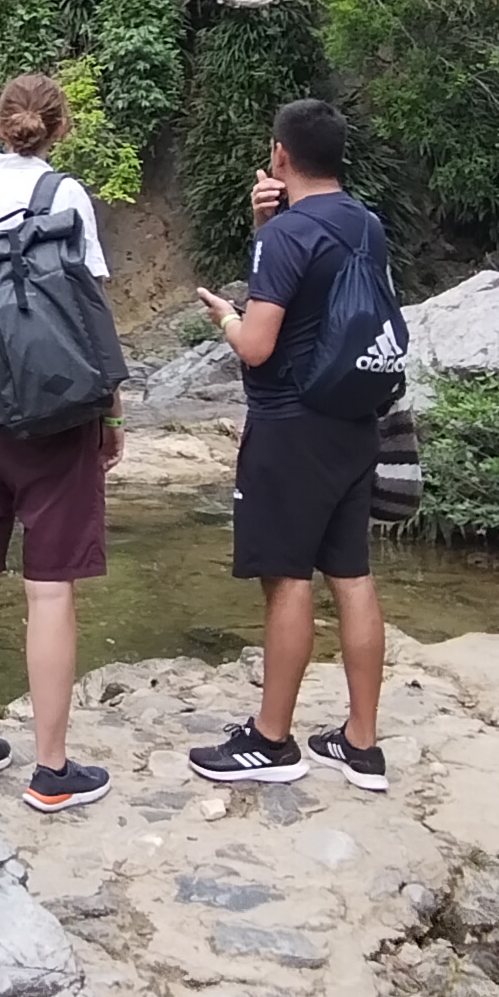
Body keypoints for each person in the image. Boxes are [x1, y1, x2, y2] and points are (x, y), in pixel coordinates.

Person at [185, 98, 394, 791]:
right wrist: (263, 228)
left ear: (279, 155)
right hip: (355, 422)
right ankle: (360, 743)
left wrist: (227, 317)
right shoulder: (366, 224)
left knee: (287, 578)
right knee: (353, 575)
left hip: (289, 425)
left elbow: (257, 345)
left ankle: (272, 742)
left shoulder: (287, 236)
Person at [0, 73, 124, 813]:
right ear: (59, 129)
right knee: (49, 590)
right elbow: (89, 316)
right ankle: (51, 770)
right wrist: (110, 417)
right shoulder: (68, 199)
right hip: (57, 421)